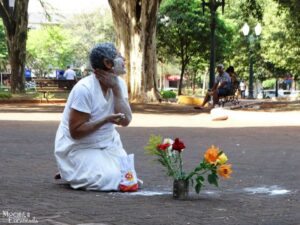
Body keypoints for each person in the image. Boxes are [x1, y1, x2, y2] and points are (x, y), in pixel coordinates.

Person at [54, 42, 133, 191]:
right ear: (108, 63)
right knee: (107, 179)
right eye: (119, 56)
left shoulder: (119, 84)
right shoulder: (84, 89)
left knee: (127, 177)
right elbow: (76, 132)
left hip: (109, 144)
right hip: (79, 147)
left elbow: (126, 120)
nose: (124, 59)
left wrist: (115, 89)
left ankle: (76, 170)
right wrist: (105, 120)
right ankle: (70, 168)